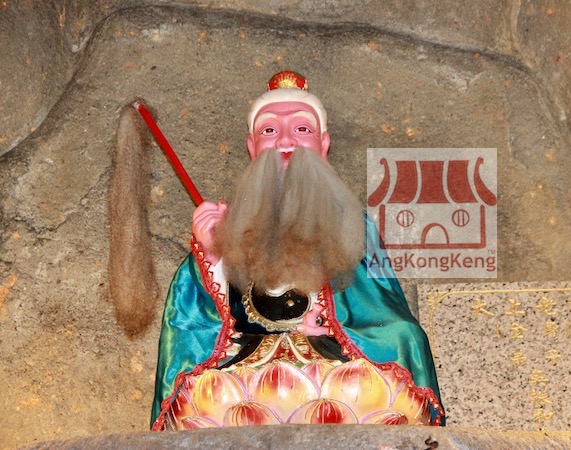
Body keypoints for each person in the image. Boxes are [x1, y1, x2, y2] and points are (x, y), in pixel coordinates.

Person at [151, 71, 445, 430]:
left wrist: (329, 326)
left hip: (334, 371)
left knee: (399, 348)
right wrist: (212, 257)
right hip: (247, 375)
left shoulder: (352, 222)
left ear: (324, 144)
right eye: (269, 130)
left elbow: (385, 314)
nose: (285, 140)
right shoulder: (229, 222)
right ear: (251, 146)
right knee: (206, 393)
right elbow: (190, 327)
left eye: (302, 129)